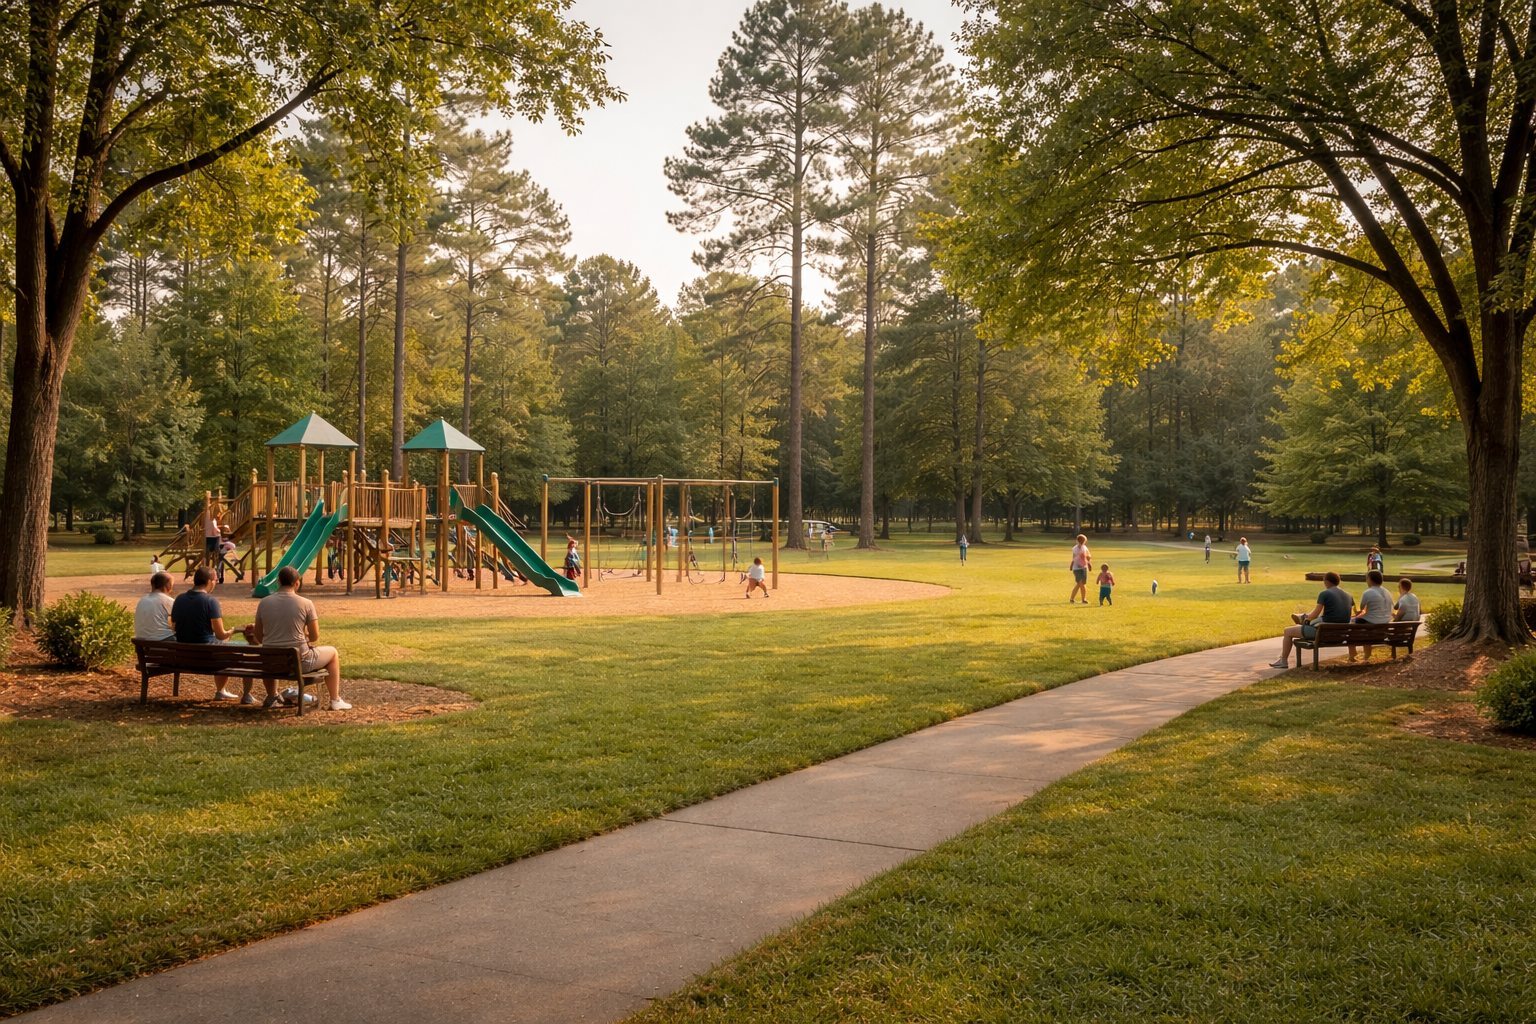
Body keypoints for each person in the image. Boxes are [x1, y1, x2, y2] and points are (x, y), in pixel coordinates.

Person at [254, 565, 349, 711]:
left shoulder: (264, 603)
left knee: (271, 650)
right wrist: (304, 636)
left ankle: (272, 695)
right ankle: (335, 699)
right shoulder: (306, 603)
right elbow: (315, 636)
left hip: (271, 662)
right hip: (299, 661)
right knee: (333, 653)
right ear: (297, 583)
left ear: (278, 582)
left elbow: (259, 637)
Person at [169, 566, 244, 701]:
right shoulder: (210, 601)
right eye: (215, 579)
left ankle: (221, 690)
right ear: (209, 581)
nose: (215, 582)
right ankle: (222, 690)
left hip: (182, 656)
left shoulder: (179, 599)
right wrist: (232, 630)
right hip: (207, 657)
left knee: (219, 643)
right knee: (238, 647)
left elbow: (174, 627)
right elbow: (221, 634)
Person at [1272, 570, 1353, 667]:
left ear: (1326, 581)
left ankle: (1283, 661)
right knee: (1315, 619)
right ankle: (1302, 617)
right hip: (1340, 634)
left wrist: (1307, 620)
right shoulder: (1349, 596)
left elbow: (1315, 613)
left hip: (1323, 633)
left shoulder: (1325, 593)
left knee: (1287, 631)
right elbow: (1346, 615)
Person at [1349, 568, 1394, 661]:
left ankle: (1352, 653)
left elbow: (1361, 609)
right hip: (1385, 623)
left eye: (1367, 578)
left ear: (1370, 579)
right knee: (1364, 625)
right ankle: (1367, 655)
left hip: (1371, 624)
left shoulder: (1368, 592)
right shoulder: (1387, 592)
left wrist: (1356, 613)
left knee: (1351, 624)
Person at [133, 572, 176, 641]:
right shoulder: (167, 600)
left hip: (142, 643)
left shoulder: (142, 600)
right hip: (162, 642)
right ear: (168, 585)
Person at [1069, 533, 1093, 604]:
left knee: (1081, 584)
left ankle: (1072, 599)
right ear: (1078, 541)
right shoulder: (1075, 548)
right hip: (1077, 568)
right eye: (1082, 541)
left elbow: (1087, 556)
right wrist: (1071, 566)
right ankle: (1083, 599)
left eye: (1084, 541)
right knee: (1081, 583)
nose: (1083, 542)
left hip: (1083, 568)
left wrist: (1089, 564)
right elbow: (1074, 558)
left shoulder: (1084, 547)